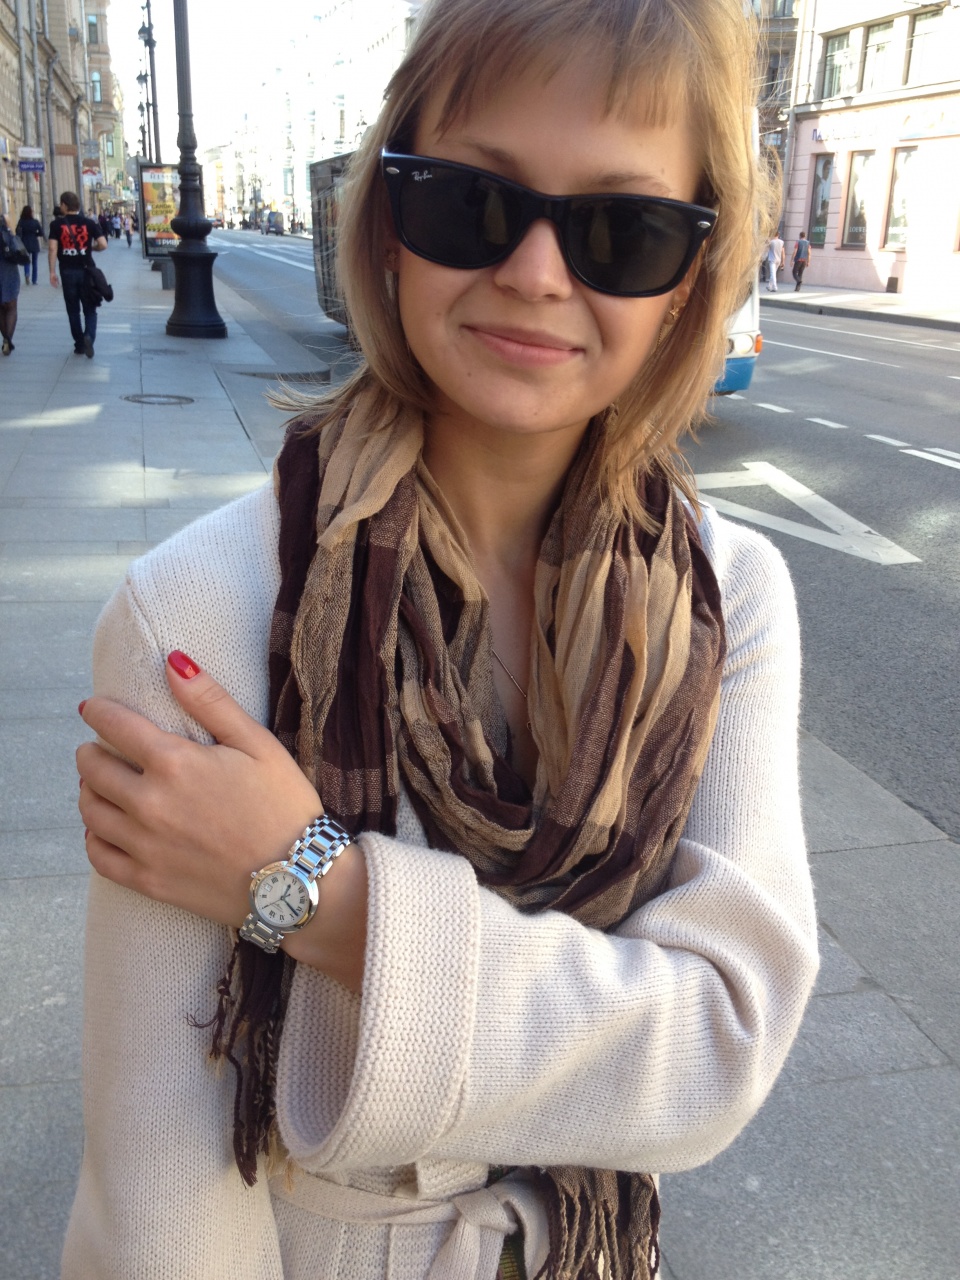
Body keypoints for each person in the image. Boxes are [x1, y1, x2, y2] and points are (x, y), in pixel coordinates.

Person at [66, 0, 819, 1276]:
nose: (537, 273)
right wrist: (609, 1032)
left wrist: (318, 892)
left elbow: (721, 1043)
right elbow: (164, 1190)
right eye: (473, 202)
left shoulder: (728, 597)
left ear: (690, 277)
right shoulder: (196, 611)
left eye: (622, 230)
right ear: (387, 223)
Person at [48, 192, 108, 358]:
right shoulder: (89, 223)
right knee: (90, 309)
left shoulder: (56, 225)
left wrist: (52, 272)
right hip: (87, 271)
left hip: (67, 272)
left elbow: (52, 248)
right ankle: (89, 336)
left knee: (73, 310)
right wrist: (91, 249)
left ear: (65, 205)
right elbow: (103, 244)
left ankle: (80, 344)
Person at [0, 212, 21, 355]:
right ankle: (8, 339)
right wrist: (10, 229)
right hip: (9, 273)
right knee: (11, 308)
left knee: (0, 310)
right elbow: (18, 251)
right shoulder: (8, 234)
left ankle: (5, 338)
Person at [15, 204, 43, 285]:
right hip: (34, 243)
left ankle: (27, 274)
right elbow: (41, 233)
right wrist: (35, 234)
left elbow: (17, 231)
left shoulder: (21, 222)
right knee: (35, 262)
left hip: (25, 243)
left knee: (26, 260)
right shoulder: (35, 222)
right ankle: (34, 280)